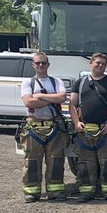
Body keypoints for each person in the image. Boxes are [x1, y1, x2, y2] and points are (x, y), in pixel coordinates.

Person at [67, 52, 107, 203]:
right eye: (98, 63)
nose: (100, 65)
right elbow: (72, 105)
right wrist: (76, 123)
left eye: (103, 64)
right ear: (91, 64)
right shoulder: (80, 83)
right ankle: (87, 192)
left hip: (106, 130)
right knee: (85, 163)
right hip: (85, 130)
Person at [19, 52, 68, 203]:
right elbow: (29, 103)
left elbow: (62, 98)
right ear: (33, 65)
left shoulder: (56, 81)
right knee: (32, 161)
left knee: (56, 160)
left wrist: (39, 96)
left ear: (48, 64)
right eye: (38, 63)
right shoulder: (27, 83)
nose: (41, 65)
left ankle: (55, 190)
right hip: (34, 127)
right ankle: (32, 192)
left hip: (54, 127)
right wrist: (51, 98)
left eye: (43, 63)